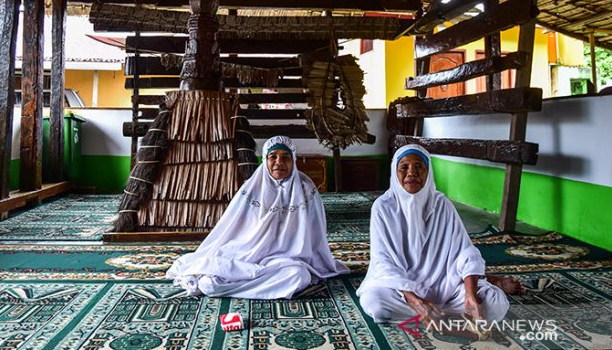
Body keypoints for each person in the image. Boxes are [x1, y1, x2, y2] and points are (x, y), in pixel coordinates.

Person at [167, 135, 349, 299]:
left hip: (285, 259)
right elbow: (232, 227)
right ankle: (255, 281)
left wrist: (316, 260)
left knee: (299, 275)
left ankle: (242, 284)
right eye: (273, 157)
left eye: (285, 157)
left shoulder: (305, 187)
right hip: (248, 255)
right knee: (209, 283)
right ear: (265, 160)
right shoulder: (252, 187)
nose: (279, 162)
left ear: (293, 161)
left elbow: (316, 231)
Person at [357, 144, 510, 328]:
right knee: (376, 304)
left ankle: (437, 313)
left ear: (428, 173)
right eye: (404, 167)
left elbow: (465, 251)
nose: (411, 173)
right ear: (394, 172)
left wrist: (470, 295)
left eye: (419, 167)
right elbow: (383, 261)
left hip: (445, 285)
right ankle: (441, 314)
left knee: (496, 304)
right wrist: (415, 301)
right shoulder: (383, 207)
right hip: (401, 290)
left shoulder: (442, 205)